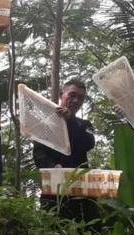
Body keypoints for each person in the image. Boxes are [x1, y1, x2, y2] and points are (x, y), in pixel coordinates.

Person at [33, 78, 98, 223]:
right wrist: (54, 167)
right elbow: (38, 154)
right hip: (53, 188)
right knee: (53, 229)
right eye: (72, 95)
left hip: (81, 188)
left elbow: (88, 143)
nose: (76, 101)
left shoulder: (85, 124)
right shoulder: (45, 124)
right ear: (61, 95)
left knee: (90, 232)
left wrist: (71, 121)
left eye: (80, 98)